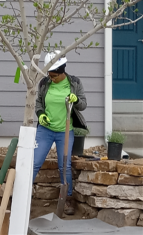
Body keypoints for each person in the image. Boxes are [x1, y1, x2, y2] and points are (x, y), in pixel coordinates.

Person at [33, 50, 87, 215]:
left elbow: (83, 104)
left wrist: (75, 100)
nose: (51, 78)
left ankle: (68, 199)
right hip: (45, 130)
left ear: (62, 71)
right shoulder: (44, 83)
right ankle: (22, 195)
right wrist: (41, 115)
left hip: (65, 131)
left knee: (65, 166)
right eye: (49, 74)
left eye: (54, 75)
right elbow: (38, 104)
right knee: (34, 163)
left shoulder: (75, 83)